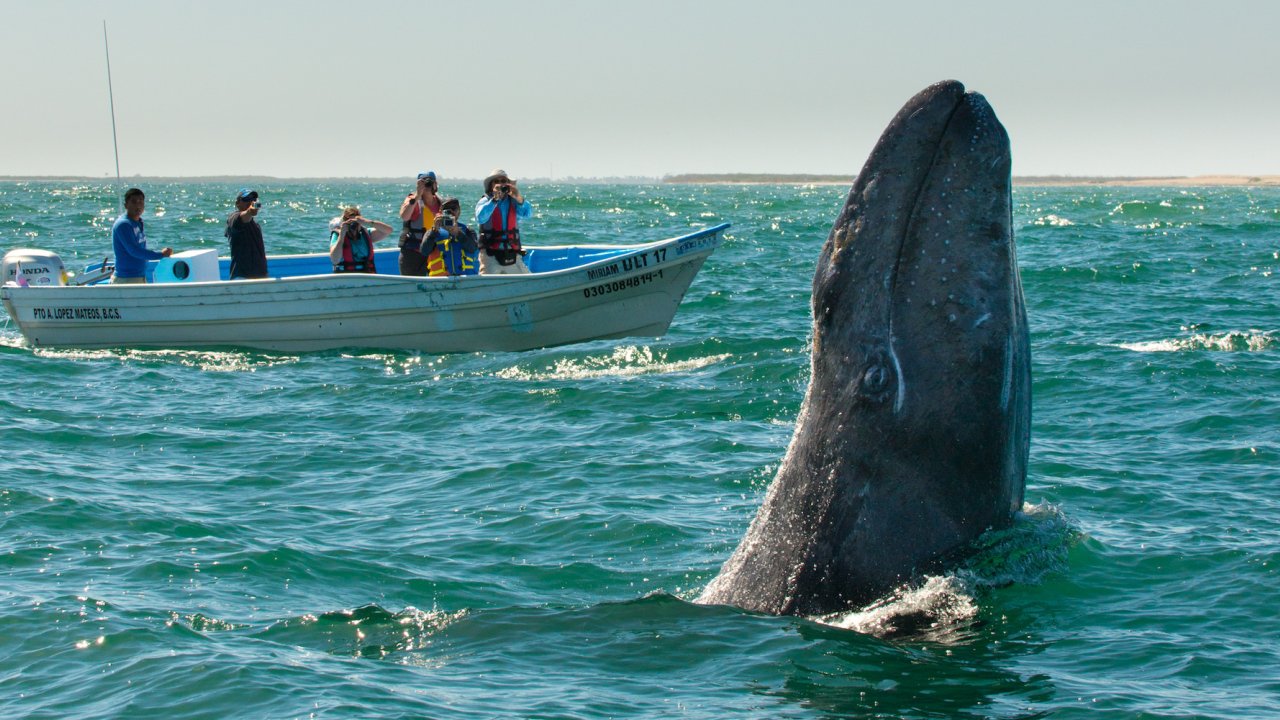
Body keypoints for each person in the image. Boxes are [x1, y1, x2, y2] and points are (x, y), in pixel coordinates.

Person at [474, 168, 532, 275]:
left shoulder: (514, 201)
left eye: (503, 181)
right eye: (497, 182)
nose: (500, 184)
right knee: (487, 285)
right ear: (491, 186)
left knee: (527, 280)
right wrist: (495, 200)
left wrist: (518, 197)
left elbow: (527, 214)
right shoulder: (485, 201)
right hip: (490, 256)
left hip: (512, 254)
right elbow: (480, 218)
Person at [111, 187, 172, 283]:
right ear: (126, 205)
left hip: (140, 276)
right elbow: (134, 251)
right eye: (134, 202)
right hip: (126, 279)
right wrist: (161, 255)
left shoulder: (138, 222)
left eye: (141, 202)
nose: (138, 205)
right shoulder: (123, 224)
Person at [397, 171, 443, 276]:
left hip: (434, 252)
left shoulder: (441, 203)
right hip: (413, 253)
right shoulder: (413, 200)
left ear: (435, 184)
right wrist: (417, 195)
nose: (427, 185)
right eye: (423, 182)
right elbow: (404, 216)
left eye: (429, 182)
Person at [422, 197, 479, 276]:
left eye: (454, 209)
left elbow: (473, 248)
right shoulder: (433, 231)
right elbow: (424, 251)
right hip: (441, 280)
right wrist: (433, 231)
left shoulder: (468, 231)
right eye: (447, 209)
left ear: (459, 211)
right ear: (440, 212)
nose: (451, 212)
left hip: (465, 279)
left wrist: (458, 233)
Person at [329, 206, 392, 273]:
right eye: (350, 223)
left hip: (366, 274)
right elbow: (335, 260)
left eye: (356, 223)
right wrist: (342, 236)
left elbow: (388, 231)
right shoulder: (338, 235)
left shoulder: (366, 234)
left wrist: (368, 222)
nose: (354, 227)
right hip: (346, 276)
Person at [226, 188, 268, 279]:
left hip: (259, 278)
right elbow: (244, 216)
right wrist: (250, 211)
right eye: (246, 199)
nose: (250, 202)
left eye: (253, 200)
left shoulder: (256, 226)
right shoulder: (234, 218)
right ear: (237, 203)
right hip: (242, 277)